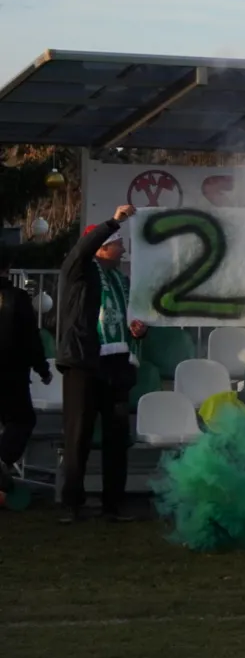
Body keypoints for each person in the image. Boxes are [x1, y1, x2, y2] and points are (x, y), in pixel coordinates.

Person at [56, 205, 147, 523]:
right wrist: (113, 222)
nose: (123, 249)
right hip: (84, 361)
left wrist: (139, 329)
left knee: (116, 437)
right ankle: (72, 504)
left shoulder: (122, 281)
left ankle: (113, 505)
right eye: (118, 244)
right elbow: (81, 249)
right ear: (101, 248)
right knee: (78, 435)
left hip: (117, 364)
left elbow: (130, 319)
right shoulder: (79, 271)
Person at [1, 247, 51, 498]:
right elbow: (31, 338)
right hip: (11, 372)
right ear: (8, 266)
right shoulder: (17, 298)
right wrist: (43, 369)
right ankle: (3, 460)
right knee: (22, 420)